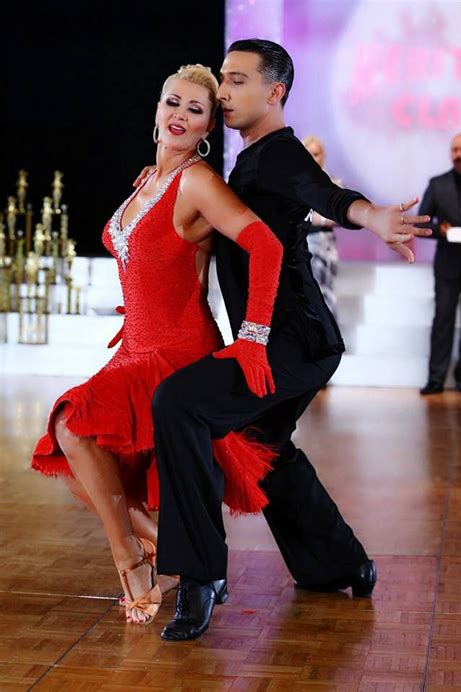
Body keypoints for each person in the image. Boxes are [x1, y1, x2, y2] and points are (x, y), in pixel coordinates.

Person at [135, 39, 431, 642]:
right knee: (264, 446)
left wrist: (370, 216)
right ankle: (342, 564)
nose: (223, 90)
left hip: (289, 342)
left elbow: (324, 194)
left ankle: (198, 579)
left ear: (276, 92)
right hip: (296, 340)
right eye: (223, 78)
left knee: (179, 403)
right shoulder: (246, 161)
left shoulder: (279, 153)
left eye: (238, 80)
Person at [31, 63, 285, 625]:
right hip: (135, 346)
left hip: (175, 350)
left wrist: (253, 337)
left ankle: (133, 561)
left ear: (206, 129)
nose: (180, 115)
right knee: (88, 470)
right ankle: (179, 554)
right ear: (156, 109)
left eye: (196, 111)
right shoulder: (148, 180)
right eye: (173, 103)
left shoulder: (196, 181)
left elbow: (265, 246)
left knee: (70, 426)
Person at [418, 133, 461, 395]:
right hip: (448, 261)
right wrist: (440, 228)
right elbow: (423, 220)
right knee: (443, 320)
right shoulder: (437, 184)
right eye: (455, 149)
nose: (459, 154)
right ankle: (436, 378)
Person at [301, 135, 341, 317]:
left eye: (316, 154)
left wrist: (317, 218)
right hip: (301, 242)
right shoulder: (296, 184)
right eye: (308, 154)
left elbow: (339, 216)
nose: (313, 159)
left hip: (324, 243)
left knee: (324, 289)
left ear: (322, 155)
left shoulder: (332, 183)